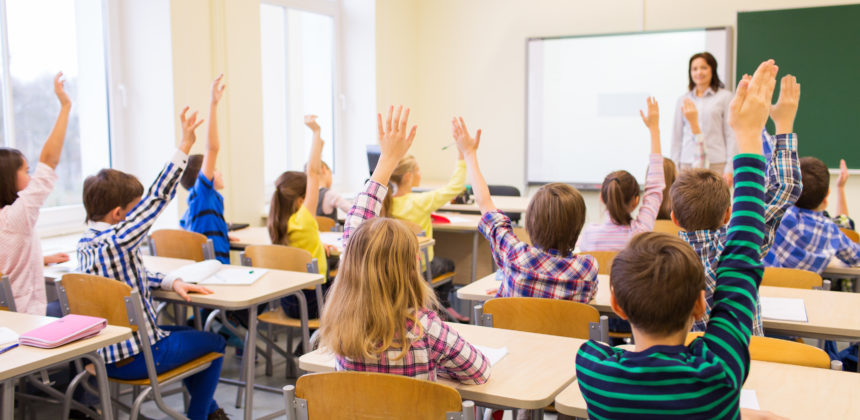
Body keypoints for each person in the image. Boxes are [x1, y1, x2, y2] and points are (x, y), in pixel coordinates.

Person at [576, 59, 777, 419]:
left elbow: (741, 262)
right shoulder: (719, 373)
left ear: (617, 304)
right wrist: (748, 137)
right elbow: (741, 261)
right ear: (702, 305)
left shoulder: (593, 371)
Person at [319, 105, 490, 383]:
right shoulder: (425, 329)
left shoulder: (341, 326)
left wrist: (387, 160)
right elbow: (480, 371)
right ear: (411, 269)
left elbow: (355, 229)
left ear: (353, 264)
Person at [77, 107, 228, 420]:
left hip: (104, 355)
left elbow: (133, 273)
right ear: (118, 215)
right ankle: (201, 414)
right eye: (133, 210)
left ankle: (207, 411)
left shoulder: (86, 246)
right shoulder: (118, 240)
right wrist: (184, 144)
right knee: (214, 342)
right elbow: (158, 197)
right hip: (139, 355)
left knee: (184, 336)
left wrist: (170, 281)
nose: (138, 215)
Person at [671, 73, 801, 336]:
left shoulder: (661, 261)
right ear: (729, 214)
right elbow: (785, 187)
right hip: (743, 371)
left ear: (673, 217)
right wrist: (783, 124)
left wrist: (696, 130)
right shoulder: (739, 246)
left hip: (686, 372)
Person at [453, 116, 597, 302]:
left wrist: (469, 153)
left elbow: (484, 203)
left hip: (510, 332)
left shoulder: (515, 257)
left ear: (530, 223)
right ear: (578, 226)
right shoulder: (587, 269)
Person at [0, 73, 71, 316]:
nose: (31, 177)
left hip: (8, 319)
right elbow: (49, 161)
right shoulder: (16, 217)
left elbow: (7, 263)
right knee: (82, 305)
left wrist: (40, 258)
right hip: (28, 317)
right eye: (25, 171)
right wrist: (65, 107)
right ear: (8, 177)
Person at [380, 128, 468, 321]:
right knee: (448, 263)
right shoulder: (420, 201)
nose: (420, 173)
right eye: (417, 170)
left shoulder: (385, 204)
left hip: (394, 266)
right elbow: (455, 187)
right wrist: (462, 154)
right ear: (407, 176)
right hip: (420, 267)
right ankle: (444, 306)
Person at [267, 115, 336, 319]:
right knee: (355, 285)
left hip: (289, 301)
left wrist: (320, 251)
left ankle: (308, 343)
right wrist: (316, 132)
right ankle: (319, 342)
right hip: (314, 302)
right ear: (300, 201)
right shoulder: (304, 220)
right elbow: (313, 173)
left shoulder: (278, 223)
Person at [578, 97, 665, 251]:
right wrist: (654, 130)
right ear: (635, 201)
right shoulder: (639, 233)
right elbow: (655, 187)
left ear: (602, 198)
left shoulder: (589, 235)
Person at [764, 157, 860, 273]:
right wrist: (840, 188)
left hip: (764, 287)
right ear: (827, 195)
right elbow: (856, 257)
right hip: (805, 290)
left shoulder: (775, 215)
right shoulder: (832, 232)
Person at [179, 74, 231, 264]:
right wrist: (213, 104)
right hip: (216, 271)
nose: (219, 172)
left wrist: (223, 233)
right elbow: (212, 148)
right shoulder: (203, 195)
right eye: (214, 169)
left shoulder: (196, 204)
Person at [671, 52, 736, 178]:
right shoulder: (683, 99)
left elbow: (731, 134)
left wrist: (730, 167)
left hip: (716, 162)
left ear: (712, 70)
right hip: (687, 163)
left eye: (703, 68)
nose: (699, 72)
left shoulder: (725, 97)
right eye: (694, 69)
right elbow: (676, 136)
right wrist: (675, 166)